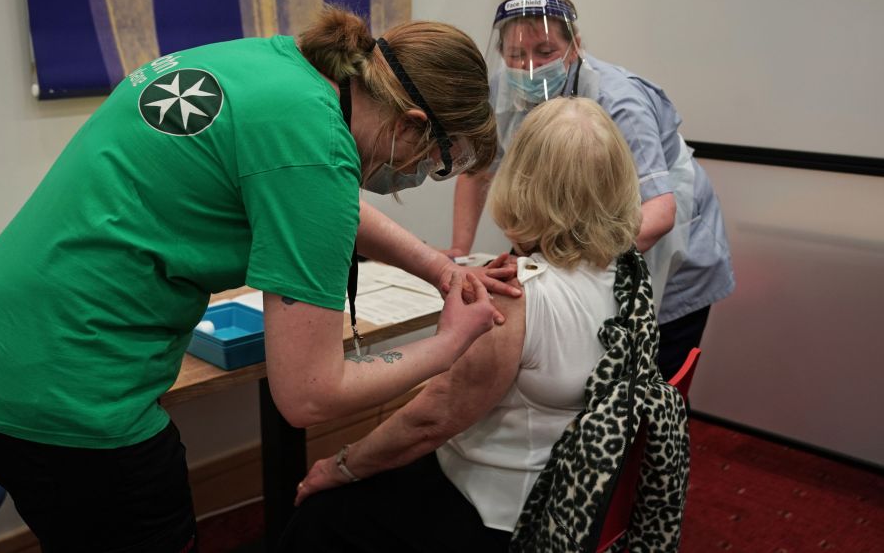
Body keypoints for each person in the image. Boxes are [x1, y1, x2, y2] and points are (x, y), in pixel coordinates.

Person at [0, 6, 523, 553]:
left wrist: (439, 268)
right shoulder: (314, 149)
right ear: (414, 124)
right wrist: (450, 342)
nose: (424, 175)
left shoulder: (286, 69)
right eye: (439, 162)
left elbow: (315, 192)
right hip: (67, 399)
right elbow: (309, 395)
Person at [278, 96, 687, 552]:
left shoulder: (516, 298)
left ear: (524, 182)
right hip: (582, 497)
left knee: (320, 515)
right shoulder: (631, 275)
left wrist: (340, 465)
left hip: (504, 515)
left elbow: (432, 420)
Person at [446, 0, 735, 381]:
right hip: (583, 243)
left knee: (647, 386)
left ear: (575, 45)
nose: (530, 67)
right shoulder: (503, 90)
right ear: (502, 56)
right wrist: (459, 253)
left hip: (667, 251)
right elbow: (478, 171)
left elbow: (659, 212)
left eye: (545, 52)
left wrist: (568, 269)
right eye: (516, 55)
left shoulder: (620, 101)